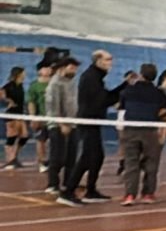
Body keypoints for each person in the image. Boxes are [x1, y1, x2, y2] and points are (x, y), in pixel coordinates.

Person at [60, 50, 126, 207]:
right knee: (88, 157)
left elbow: (105, 97)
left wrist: (124, 86)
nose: (110, 62)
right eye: (108, 59)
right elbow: (104, 100)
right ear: (98, 61)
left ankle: (91, 190)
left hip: (94, 121)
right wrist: (124, 88)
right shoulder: (90, 77)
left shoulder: (97, 77)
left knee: (97, 157)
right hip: (87, 121)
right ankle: (68, 192)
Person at [119, 64, 166, 206]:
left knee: (131, 162)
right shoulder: (158, 93)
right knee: (151, 163)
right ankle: (148, 194)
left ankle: (130, 195)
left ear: (141, 74)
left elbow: (121, 106)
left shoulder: (129, 90)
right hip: (150, 131)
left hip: (131, 130)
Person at [45, 57, 80, 196]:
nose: (74, 71)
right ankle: (52, 184)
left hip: (73, 124)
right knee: (57, 156)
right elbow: (53, 106)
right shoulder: (55, 84)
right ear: (62, 68)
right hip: (57, 125)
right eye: (71, 68)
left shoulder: (72, 83)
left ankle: (68, 183)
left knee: (72, 156)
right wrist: (62, 124)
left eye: (75, 69)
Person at [26, 62, 52, 173]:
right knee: (41, 141)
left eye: (49, 68)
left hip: (54, 118)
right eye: (45, 68)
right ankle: (42, 162)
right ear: (40, 71)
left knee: (55, 141)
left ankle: (53, 161)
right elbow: (31, 102)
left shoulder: (55, 83)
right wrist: (33, 117)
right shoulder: (34, 86)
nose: (48, 70)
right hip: (41, 118)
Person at [2, 67, 29, 169]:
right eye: (23, 73)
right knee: (12, 136)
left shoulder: (20, 86)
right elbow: (2, 94)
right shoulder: (9, 86)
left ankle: (14, 156)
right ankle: (9, 159)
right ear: (18, 74)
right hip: (11, 113)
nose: (25, 75)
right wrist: (8, 101)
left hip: (20, 113)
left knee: (24, 136)